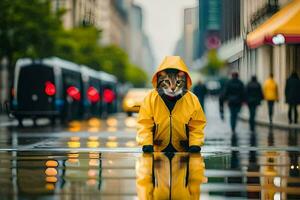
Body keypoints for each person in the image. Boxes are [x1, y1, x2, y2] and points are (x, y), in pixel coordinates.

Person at [137, 56, 206, 153]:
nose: (172, 87)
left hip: (183, 151)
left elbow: (197, 125)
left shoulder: (192, 99)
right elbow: (145, 123)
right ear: (159, 78)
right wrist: (146, 143)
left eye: (177, 82)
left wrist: (195, 143)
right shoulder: (150, 98)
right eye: (167, 82)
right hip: (158, 152)